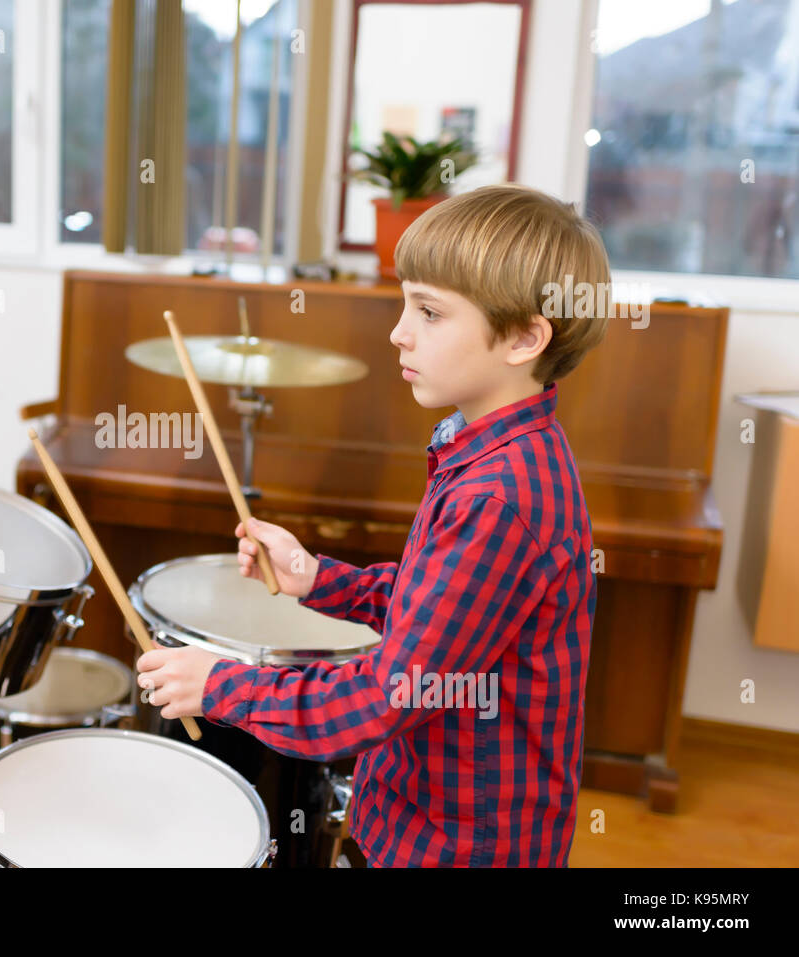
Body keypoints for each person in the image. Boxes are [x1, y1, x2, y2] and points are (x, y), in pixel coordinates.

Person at [136, 184, 612, 866]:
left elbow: (383, 696)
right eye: (404, 302)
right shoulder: (481, 448)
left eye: (429, 311)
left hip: (462, 844)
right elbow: (439, 613)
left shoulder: (500, 497)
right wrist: (321, 578)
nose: (400, 330)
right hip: (411, 809)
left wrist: (220, 685)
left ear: (523, 337)